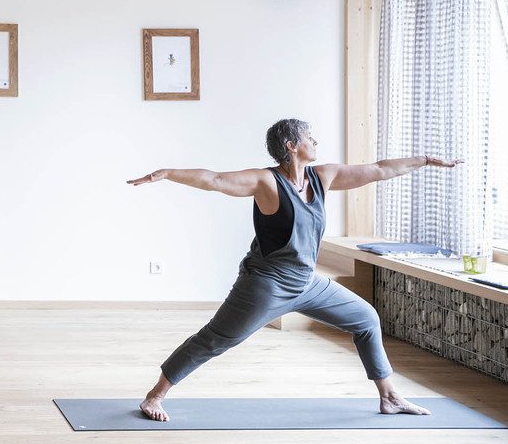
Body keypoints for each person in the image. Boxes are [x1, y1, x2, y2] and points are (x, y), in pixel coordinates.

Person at [127, 118, 461, 422]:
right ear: (291, 145)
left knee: (366, 319)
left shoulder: (322, 177)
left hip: (308, 283)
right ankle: (155, 396)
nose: (315, 140)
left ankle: (389, 397)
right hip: (266, 285)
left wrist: (425, 161)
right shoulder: (266, 182)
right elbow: (214, 179)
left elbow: (378, 169)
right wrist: (168, 173)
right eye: (309, 137)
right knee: (215, 339)